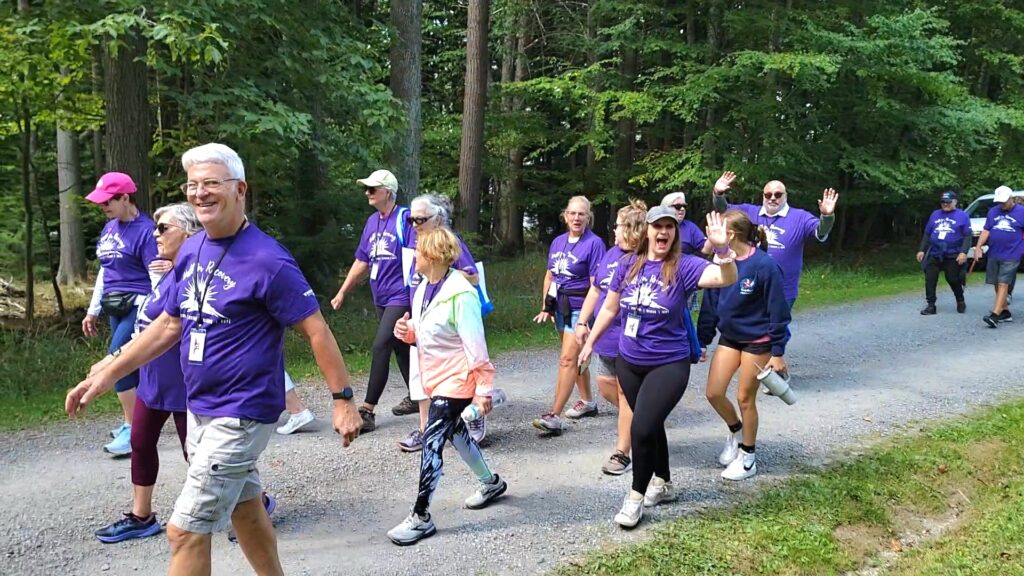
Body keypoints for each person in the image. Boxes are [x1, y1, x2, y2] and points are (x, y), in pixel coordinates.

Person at [66, 143, 362, 576]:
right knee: (245, 508)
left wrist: (343, 398)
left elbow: (316, 329)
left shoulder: (268, 260)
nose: (199, 193)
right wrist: (110, 371)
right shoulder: (192, 249)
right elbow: (168, 325)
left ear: (240, 189)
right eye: (192, 185)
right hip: (201, 405)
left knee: (184, 531)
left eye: (210, 184)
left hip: (241, 412)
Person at [579, 206, 737, 528]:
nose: (663, 231)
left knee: (641, 427)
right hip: (629, 362)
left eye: (669, 226)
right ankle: (663, 482)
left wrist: (722, 250)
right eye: (657, 226)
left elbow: (724, 277)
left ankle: (635, 497)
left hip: (669, 363)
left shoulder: (684, 267)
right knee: (652, 425)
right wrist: (589, 342)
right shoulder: (628, 264)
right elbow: (609, 308)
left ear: (674, 233)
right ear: (647, 231)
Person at [88, 202, 199, 542]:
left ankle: (252, 506)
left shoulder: (195, 276)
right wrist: (112, 360)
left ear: (190, 233)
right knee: (139, 442)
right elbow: (144, 327)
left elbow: (172, 329)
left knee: (198, 454)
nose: (155, 234)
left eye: (163, 228)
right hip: (152, 379)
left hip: (185, 382)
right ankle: (142, 516)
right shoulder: (162, 274)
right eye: (155, 228)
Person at [388, 227, 506, 546]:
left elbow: (475, 345)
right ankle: (490, 483)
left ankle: (421, 517)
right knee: (458, 434)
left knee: (432, 441)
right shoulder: (425, 286)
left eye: (419, 251)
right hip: (436, 378)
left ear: (434, 256)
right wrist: (408, 330)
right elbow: (430, 327)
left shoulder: (461, 293)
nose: (414, 256)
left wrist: (483, 390)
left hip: (457, 381)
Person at [698, 210, 791, 482]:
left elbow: (778, 311)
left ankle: (748, 457)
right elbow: (710, 307)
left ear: (731, 234)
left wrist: (778, 352)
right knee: (714, 392)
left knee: (744, 398)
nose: (710, 235)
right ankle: (736, 432)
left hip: (758, 341)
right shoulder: (720, 264)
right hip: (730, 337)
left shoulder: (765, 266)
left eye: (716, 230)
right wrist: (702, 340)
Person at [397, 194, 486, 453]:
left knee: (460, 373)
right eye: (411, 219)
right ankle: (427, 433)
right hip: (421, 316)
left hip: (449, 321)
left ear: (437, 219)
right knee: (421, 377)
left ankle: (476, 412)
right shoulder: (416, 242)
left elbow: (473, 277)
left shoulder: (449, 243)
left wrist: (444, 272)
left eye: (420, 219)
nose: (414, 224)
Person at [331, 169, 416, 432]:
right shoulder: (372, 222)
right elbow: (362, 261)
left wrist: (419, 295)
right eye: (366, 189)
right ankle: (417, 395)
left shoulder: (404, 219)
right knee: (401, 346)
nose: (367, 193)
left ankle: (367, 410)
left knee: (381, 345)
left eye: (372, 189)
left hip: (401, 295)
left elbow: (416, 257)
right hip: (380, 296)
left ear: (387, 192)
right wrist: (343, 290)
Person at [83, 172, 158, 456]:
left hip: (138, 304)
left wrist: (151, 316)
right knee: (132, 366)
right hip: (114, 304)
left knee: (119, 359)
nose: (103, 207)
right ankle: (139, 419)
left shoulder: (146, 231)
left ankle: (132, 429)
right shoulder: (110, 228)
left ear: (125, 197)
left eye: (107, 201)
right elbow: (106, 269)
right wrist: (93, 309)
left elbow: (156, 277)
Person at [574, 199, 647, 475]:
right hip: (604, 336)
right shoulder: (611, 253)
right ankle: (645, 420)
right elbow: (595, 290)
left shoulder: (644, 259)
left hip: (631, 339)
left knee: (625, 395)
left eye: (617, 226)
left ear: (630, 228)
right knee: (606, 385)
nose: (613, 231)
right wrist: (583, 321)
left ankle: (622, 452)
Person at [531, 196, 607, 433]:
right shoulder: (557, 242)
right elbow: (550, 276)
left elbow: (597, 285)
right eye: (572, 213)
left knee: (567, 359)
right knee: (576, 359)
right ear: (565, 216)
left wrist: (587, 319)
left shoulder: (594, 244)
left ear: (588, 217)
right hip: (561, 306)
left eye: (581, 214)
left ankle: (553, 415)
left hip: (580, 307)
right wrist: (547, 306)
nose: (576, 218)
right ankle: (587, 402)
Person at [712, 171, 838, 307]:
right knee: (748, 326)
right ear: (763, 196)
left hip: (783, 290)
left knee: (776, 327)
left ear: (786, 196)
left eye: (778, 195)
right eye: (768, 195)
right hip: (748, 287)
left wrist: (827, 216)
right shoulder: (749, 212)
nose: (772, 198)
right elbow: (723, 210)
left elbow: (821, 232)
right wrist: (718, 194)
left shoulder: (800, 217)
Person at [974, 185, 1024, 328]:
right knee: (996, 282)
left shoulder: (1021, 212)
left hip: (1013, 253)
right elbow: (986, 230)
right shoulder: (993, 212)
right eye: (1000, 202)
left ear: (1011, 198)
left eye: (1004, 201)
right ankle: (1005, 312)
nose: (1002, 204)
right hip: (995, 252)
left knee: (1003, 282)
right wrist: (978, 247)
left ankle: (995, 314)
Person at [916, 191, 970, 315]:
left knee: (952, 279)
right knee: (930, 278)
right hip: (935, 253)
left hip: (952, 254)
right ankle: (931, 305)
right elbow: (928, 234)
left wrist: (963, 252)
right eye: (943, 202)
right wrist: (922, 250)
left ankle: (960, 300)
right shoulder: (935, 214)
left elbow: (967, 236)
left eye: (948, 202)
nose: (945, 204)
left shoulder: (962, 216)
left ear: (955, 202)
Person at [660, 192, 711, 256]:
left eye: (684, 206)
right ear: (666, 208)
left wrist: (711, 239)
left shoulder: (690, 227)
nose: (682, 209)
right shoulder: (655, 227)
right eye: (677, 206)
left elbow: (706, 250)